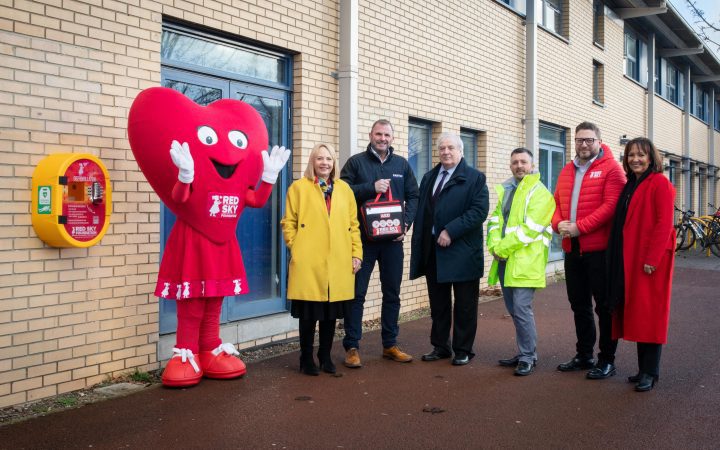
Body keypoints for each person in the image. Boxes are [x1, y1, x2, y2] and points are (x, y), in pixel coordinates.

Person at [340, 119, 419, 367]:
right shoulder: (356, 162)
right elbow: (342, 192)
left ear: (392, 138)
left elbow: (414, 196)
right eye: (378, 134)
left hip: (393, 241)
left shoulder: (402, 165)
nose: (382, 138)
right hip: (363, 241)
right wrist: (369, 187)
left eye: (386, 134)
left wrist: (405, 224)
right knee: (357, 294)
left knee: (392, 293)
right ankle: (352, 347)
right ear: (371, 135)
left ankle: (390, 345)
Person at [552, 122, 626, 380]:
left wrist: (579, 228)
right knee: (579, 305)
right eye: (579, 140)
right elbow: (557, 203)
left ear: (599, 141)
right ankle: (584, 355)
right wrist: (557, 223)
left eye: (589, 140)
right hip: (573, 250)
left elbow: (611, 207)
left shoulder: (612, 169)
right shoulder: (567, 170)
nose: (584, 144)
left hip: (599, 252)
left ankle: (607, 360)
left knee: (604, 307)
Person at [281, 144, 363, 375]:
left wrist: (356, 253)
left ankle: (325, 356)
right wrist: (297, 246)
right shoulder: (298, 188)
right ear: (312, 161)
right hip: (309, 260)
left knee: (330, 314)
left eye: (329, 158)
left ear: (334, 162)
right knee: (309, 314)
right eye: (320, 158)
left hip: (338, 260)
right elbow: (289, 222)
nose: (324, 163)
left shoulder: (345, 189)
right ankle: (306, 358)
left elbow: (353, 225)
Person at [410, 132, 489, 366]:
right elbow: (424, 211)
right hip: (434, 252)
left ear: (460, 151)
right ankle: (440, 346)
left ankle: (463, 349)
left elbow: (478, 212)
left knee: (465, 305)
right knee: (439, 304)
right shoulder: (429, 177)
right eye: (442, 148)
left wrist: (450, 230)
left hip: (462, 252)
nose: (446, 152)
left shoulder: (475, 178)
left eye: (451, 148)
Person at [606, 138, 675, 392]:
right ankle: (641, 369)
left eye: (640, 155)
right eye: (631, 155)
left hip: (649, 262)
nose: (635, 159)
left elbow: (664, 224)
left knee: (650, 315)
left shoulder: (660, 183)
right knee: (638, 313)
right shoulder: (632, 184)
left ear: (651, 158)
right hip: (631, 259)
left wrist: (652, 260)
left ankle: (650, 372)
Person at [487, 148, 555, 376]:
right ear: (510, 165)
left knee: (521, 309)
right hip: (506, 259)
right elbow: (495, 220)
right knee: (513, 310)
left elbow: (530, 230)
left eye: (523, 162)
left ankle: (528, 356)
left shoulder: (540, 193)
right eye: (515, 162)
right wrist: (494, 246)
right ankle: (525, 351)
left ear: (532, 165)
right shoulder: (507, 190)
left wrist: (502, 248)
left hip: (526, 261)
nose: (519, 166)